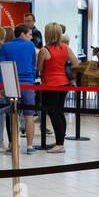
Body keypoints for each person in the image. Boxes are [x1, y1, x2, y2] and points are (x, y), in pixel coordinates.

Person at [35, 22, 78, 153]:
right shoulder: (66, 48)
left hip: (50, 84)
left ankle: (60, 144)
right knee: (59, 112)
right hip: (64, 83)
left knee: (53, 113)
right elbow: (75, 63)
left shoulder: (44, 50)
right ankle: (60, 141)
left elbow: (39, 68)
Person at [0, 23, 38, 152]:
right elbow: (33, 65)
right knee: (29, 115)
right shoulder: (31, 46)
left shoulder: (5, 47)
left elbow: (1, 68)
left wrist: (1, 86)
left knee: (12, 115)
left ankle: (12, 144)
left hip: (11, 83)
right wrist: (31, 79)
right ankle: (29, 146)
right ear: (22, 34)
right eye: (30, 34)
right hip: (27, 83)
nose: (31, 38)